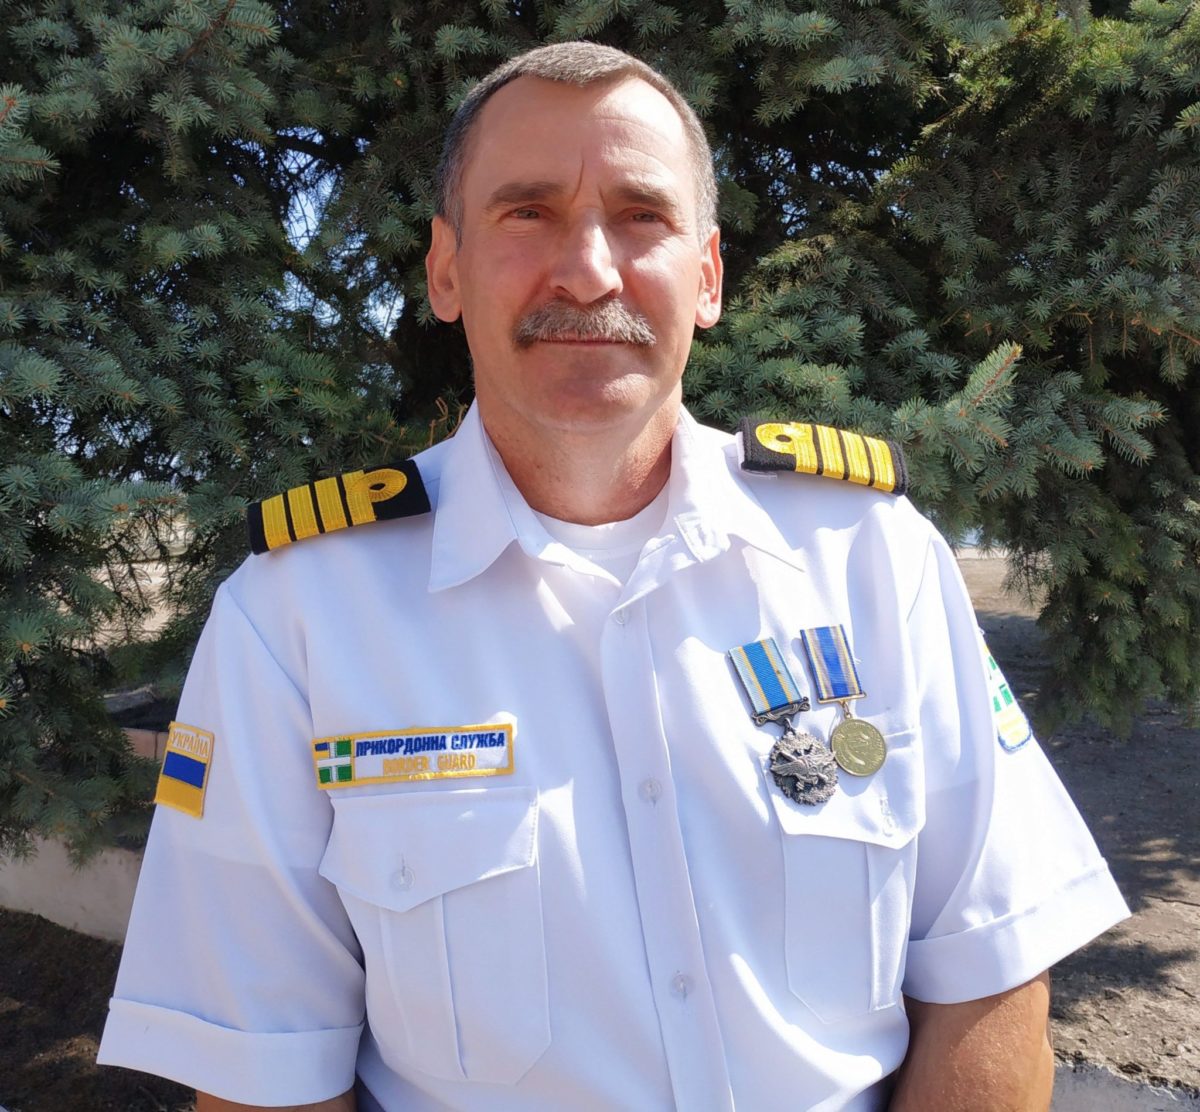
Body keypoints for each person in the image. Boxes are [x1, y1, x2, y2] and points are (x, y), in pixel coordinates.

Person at [98, 41, 1129, 1111]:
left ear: (708, 275)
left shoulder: (874, 556)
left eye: (641, 215)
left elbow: (991, 971)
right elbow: (264, 1073)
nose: (589, 272)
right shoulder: (298, 617)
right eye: (527, 212)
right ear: (445, 270)